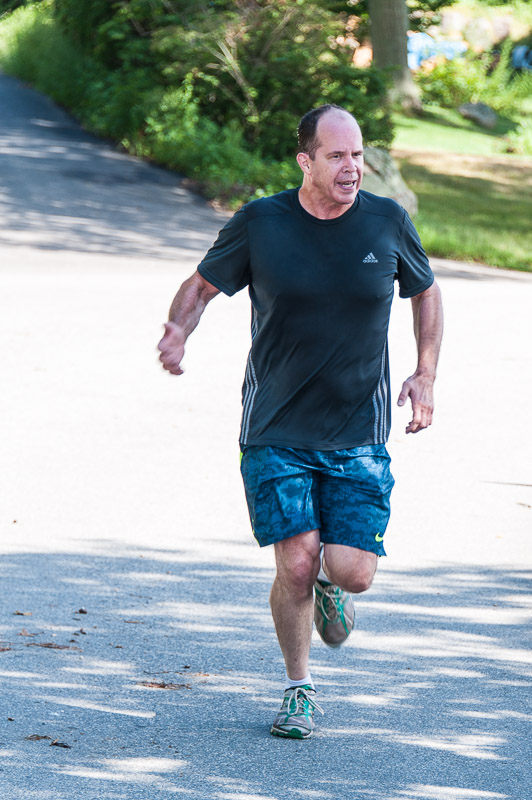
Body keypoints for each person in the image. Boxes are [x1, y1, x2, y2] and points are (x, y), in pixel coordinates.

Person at [158, 104, 443, 739]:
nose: (352, 167)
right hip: (276, 428)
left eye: (358, 155)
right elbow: (200, 286)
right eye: (337, 156)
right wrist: (178, 329)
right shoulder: (262, 222)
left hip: (358, 431)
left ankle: (331, 587)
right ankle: (298, 689)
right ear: (305, 161)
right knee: (294, 563)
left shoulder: (387, 222)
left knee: (353, 572)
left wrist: (425, 372)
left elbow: (425, 291)